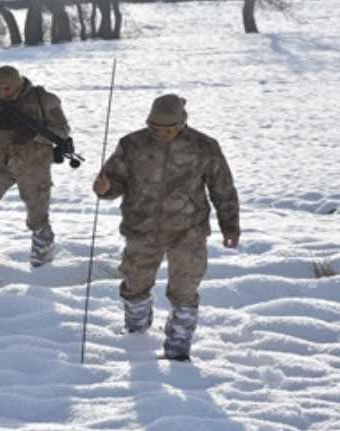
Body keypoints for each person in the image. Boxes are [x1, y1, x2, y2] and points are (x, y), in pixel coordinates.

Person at [92, 94, 240, 361]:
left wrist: (230, 227)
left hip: (188, 232)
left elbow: (223, 189)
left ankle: (178, 349)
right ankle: (136, 338)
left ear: (182, 123)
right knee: (134, 286)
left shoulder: (204, 147)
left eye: (170, 129)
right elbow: (114, 180)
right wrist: (105, 188)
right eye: (156, 129)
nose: (163, 134)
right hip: (141, 229)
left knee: (184, 291)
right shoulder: (131, 144)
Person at [0, 65, 72, 268]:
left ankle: (42, 263)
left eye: (8, 89)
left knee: (37, 219)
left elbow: (63, 131)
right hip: (1, 166)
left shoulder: (44, 99)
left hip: (34, 168)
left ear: (19, 84)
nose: (3, 93)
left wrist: (33, 134)